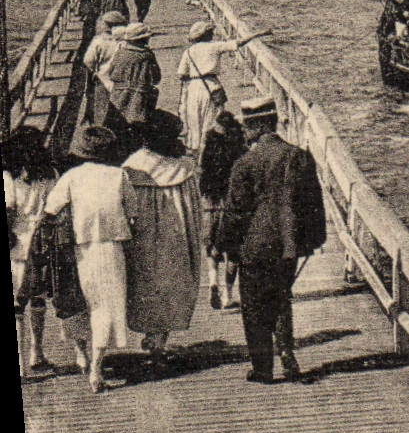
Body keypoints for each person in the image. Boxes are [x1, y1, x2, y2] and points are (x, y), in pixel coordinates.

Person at [215, 96, 326, 383]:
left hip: (255, 244)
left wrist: (226, 246)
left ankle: (263, 368)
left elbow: (236, 212)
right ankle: (287, 350)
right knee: (280, 297)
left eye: (249, 125)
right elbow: (313, 204)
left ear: (260, 126)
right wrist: (311, 242)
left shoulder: (245, 164)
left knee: (254, 306)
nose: (245, 131)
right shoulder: (299, 156)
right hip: (288, 244)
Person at [44, 126, 133, 393]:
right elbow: (134, 210)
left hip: (78, 249)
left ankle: (81, 353)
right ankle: (96, 367)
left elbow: (50, 209)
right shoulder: (119, 175)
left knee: (77, 303)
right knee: (105, 307)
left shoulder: (72, 177)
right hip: (112, 248)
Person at [122, 111, 206, 365]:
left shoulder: (133, 166)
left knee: (145, 283)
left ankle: (151, 333)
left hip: (143, 236)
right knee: (171, 284)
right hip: (177, 236)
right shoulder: (184, 168)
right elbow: (195, 208)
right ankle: (160, 340)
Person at [6, 127, 59, 378]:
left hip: (16, 245)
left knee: (17, 305)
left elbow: (8, 214)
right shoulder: (50, 176)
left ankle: (21, 365)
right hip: (41, 245)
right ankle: (37, 353)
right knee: (37, 300)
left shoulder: (10, 178)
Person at [176, 20, 271, 152]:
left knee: (194, 121)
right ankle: (208, 149)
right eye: (211, 32)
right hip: (211, 86)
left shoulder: (188, 52)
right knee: (211, 120)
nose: (213, 34)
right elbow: (238, 43)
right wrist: (258, 34)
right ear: (206, 34)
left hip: (193, 87)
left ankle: (195, 150)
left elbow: (181, 74)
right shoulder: (214, 46)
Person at [199, 110, 247, 310]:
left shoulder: (209, 147)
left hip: (211, 203)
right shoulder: (239, 151)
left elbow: (201, 176)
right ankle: (228, 294)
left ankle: (212, 282)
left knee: (212, 248)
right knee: (233, 252)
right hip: (231, 204)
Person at [105, 21, 161, 145]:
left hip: (118, 94)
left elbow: (111, 73)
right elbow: (156, 78)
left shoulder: (120, 53)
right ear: (144, 39)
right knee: (138, 126)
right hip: (140, 95)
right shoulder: (147, 55)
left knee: (117, 125)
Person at [80, 11, 127, 127]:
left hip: (103, 78)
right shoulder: (125, 41)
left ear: (107, 25)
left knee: (101, 108)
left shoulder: (99, 41)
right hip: (122, 79)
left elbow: (88, 60)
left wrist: (95, 70)